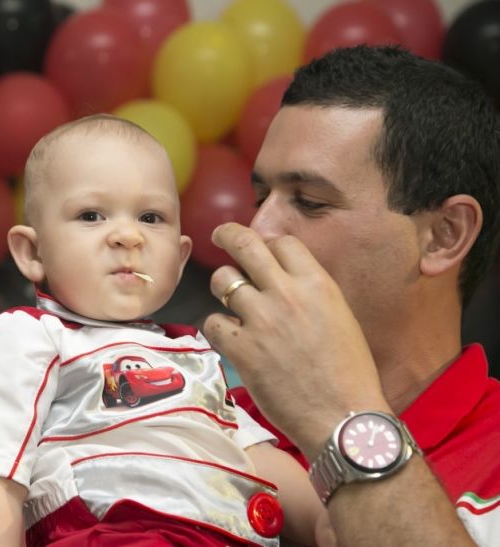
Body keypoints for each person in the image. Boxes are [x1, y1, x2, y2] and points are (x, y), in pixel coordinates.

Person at [0, 114, 328, 546]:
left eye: (151, 217)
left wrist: (330, 527)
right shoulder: (30, 336)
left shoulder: (192, 353)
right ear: (33, 252)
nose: (129, 236)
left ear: (180, 256)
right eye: (91, 215)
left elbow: (255, 455)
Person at [203, 45, 500, 546]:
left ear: (444, 235)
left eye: (311, 202)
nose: (259, 227)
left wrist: (335, 416)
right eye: (261, 198)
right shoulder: (209, 423)